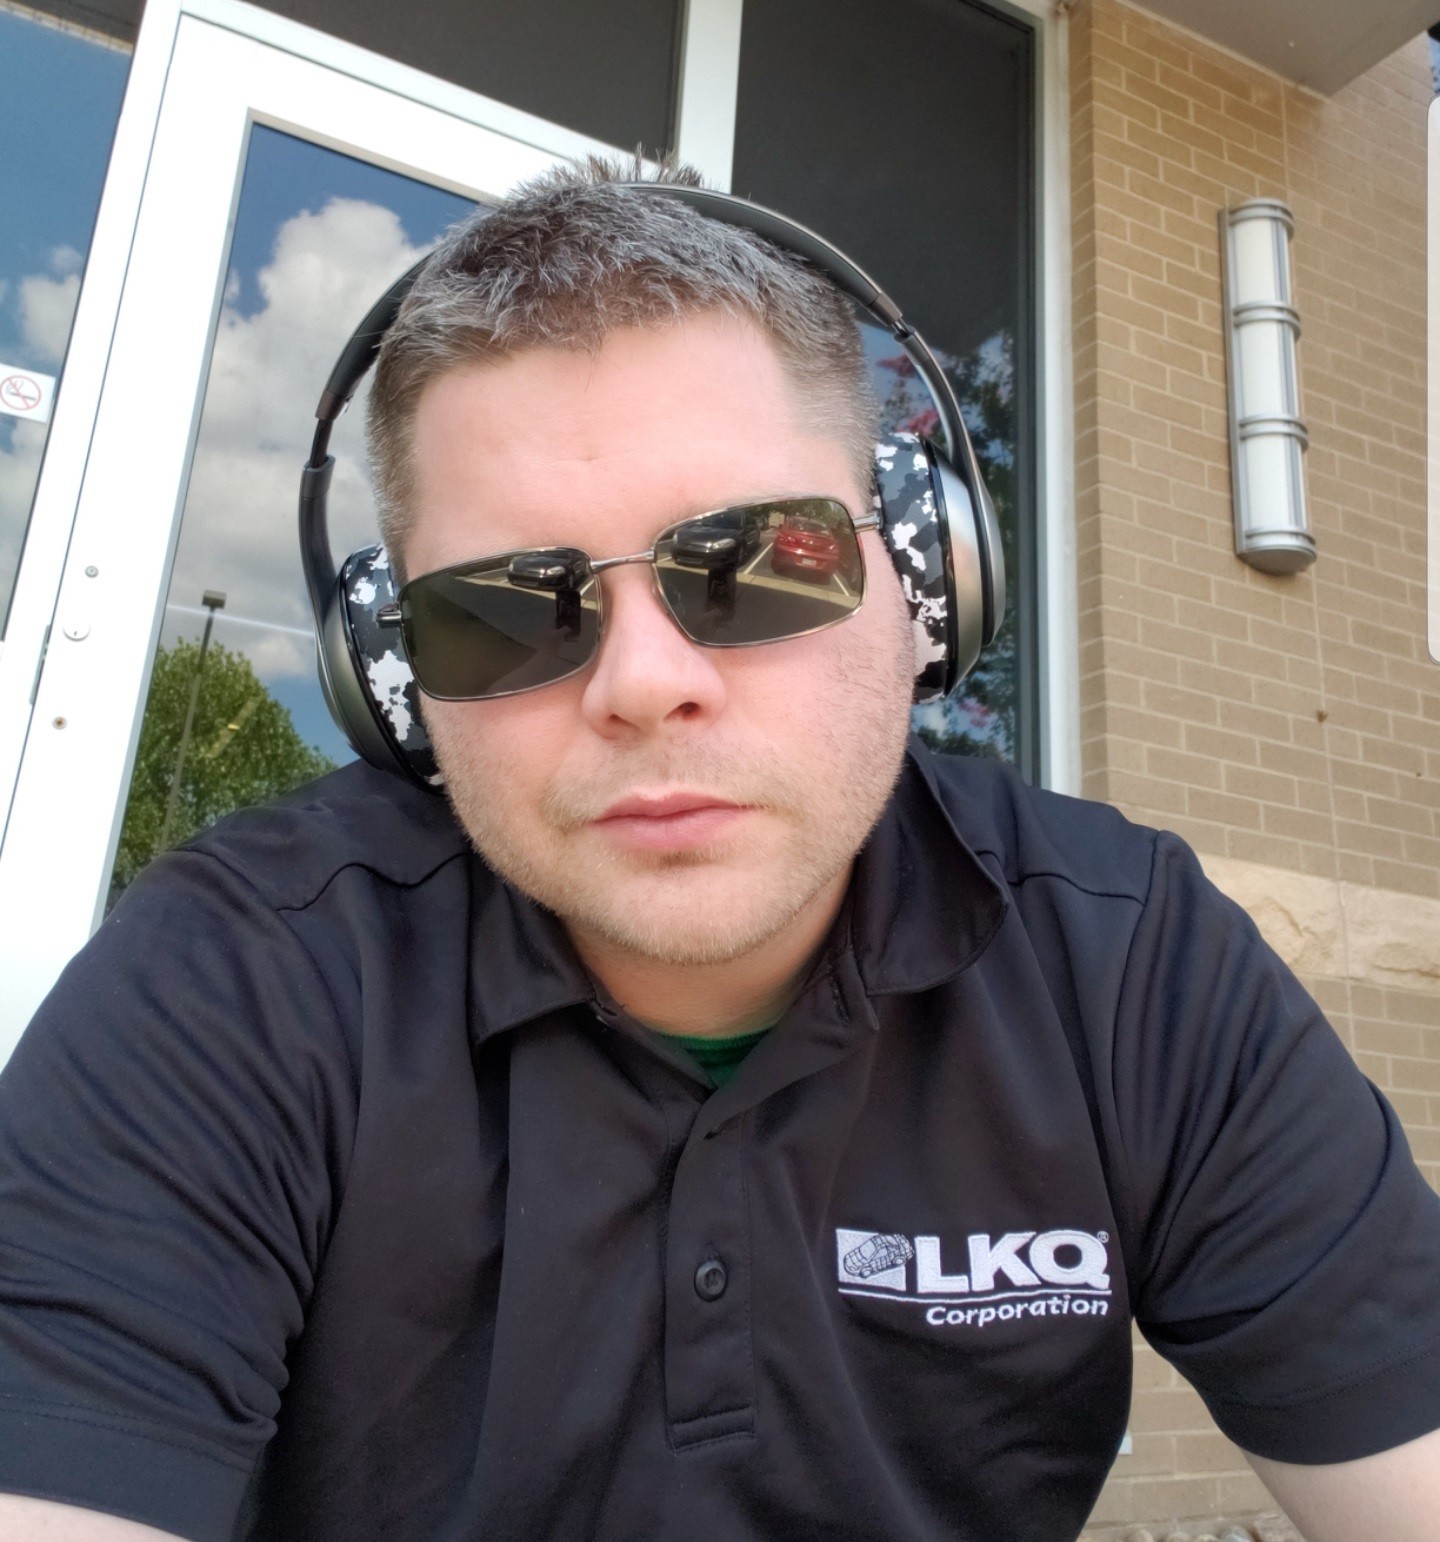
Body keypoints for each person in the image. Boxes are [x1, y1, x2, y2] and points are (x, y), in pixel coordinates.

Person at [0, 160, 1438, 1542]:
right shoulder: (236, 981)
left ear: (924, 581)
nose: (644, 682)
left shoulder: (1129, 964)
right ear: (396, 680)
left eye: (753, 563)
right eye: (504, 610)